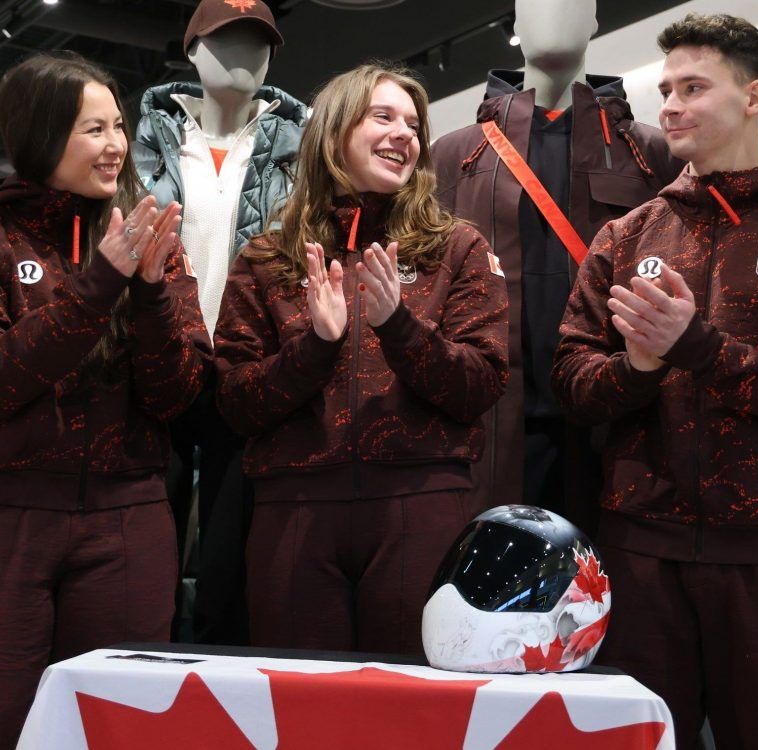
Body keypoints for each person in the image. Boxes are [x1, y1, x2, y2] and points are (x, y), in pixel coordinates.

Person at [551, 14, 758, 749]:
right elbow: (570, 381)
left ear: (754, 96)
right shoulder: (625, 236)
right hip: (642, 554)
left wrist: (694, 346)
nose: (669, 105)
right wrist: (638, 366)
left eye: (693, 87)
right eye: (666, 88)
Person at [0, 52, 211, 749]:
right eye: (91, 129)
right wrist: (100, 281)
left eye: (117, 126)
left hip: (129, 519)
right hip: (1, 521)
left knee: (122, 724)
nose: (115, 146)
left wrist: (146, 291)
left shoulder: (153, 247)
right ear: (41, 134)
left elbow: (178, 394)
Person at [214, 63, 509, 656]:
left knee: (414, 711)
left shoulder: (457, 247)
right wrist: (314, 348)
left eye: (413, 124)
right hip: (294, 512)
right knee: (296, 707)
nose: (405, 133)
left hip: (420, 510)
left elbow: (481, 384)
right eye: (384, 116)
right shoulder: (268, 258)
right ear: (334, 130)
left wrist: (399, 327)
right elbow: (235, 403)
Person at [432, 0, 682, 532]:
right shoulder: (454, 156)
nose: (555, 11)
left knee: (604, 594)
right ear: (514, 25)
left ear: (596, 20)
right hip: (490, 423)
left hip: (614, 415)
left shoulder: (650, 153)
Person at [134, 0, 307, 644]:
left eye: (257, 43)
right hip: (162, 361)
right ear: (192, 51)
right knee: (150, 541)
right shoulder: (143, 144)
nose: (243, 56)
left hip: (252, 367)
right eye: (224, 41)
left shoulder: (300, 147)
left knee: (234, 553)